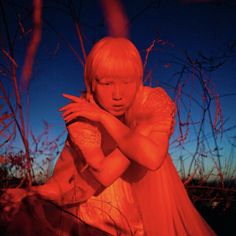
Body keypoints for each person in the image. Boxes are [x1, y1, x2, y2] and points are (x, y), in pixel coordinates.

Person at [1, 37, 217, 236]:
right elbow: (103, 174)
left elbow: (152, 159)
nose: (118, 95)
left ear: (138, 80)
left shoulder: (153, 100)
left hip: (153, 192)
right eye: (107, 84)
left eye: (127, 82)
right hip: (98, 194)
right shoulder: (81, 114)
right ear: (92, 84)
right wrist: (137, 133)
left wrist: (106, 119)